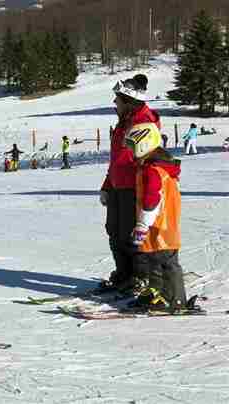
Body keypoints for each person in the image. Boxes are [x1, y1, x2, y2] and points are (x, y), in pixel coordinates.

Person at [124, 123, 193, 312]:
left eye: (132, 146)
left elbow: (153, 200)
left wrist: (142, 224)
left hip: (161, 225)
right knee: (154, 260)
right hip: (156, 225)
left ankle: (175, 299)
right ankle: (156, 293)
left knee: (166, 263)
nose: (130, 151)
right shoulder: (148, 167)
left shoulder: (153, 170)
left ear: (143, 145)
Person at [100, 73, 160, 293]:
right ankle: (124, 273)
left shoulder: (144, 120)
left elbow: (147, 156)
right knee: (113, 230)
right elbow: (118, 158)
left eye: (117, 99)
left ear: (128, 101)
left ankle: (141, 276)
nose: (114, 103)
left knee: (131, 233)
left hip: (134, 185)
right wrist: (107, 185)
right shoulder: (123, 121)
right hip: (117, 184)